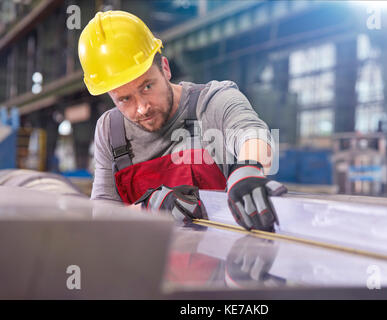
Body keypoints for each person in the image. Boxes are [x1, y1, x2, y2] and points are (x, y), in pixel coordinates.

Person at [78, 10, 287, 232]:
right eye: (124, 99)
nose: (142, 107)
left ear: (165, 69)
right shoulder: (111, 129)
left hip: (221, 257)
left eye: (147, 87)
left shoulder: (211, 101)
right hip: (149, 260)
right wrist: (147, 209)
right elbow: (103, 214)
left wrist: (248, 168)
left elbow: (251, 131)